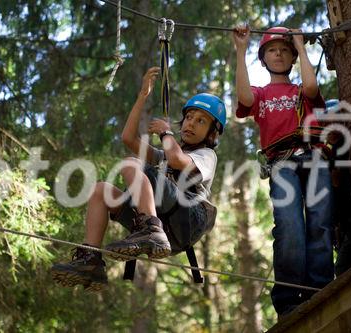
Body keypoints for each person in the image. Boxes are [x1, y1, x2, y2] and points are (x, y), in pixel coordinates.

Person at [51, 67, 226, 291]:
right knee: (100, 190)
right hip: (168, 225)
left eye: (201, 121)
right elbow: (128, 138)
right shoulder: (165, 156)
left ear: (212, 133)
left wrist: (166, 133)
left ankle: (150, 230)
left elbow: (176, 159)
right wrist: (142, 96)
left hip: (189, 219)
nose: (191, 123)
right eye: (189, 117)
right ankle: (91, 261)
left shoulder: (206, 156)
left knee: (130, 164)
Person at [233, 26, 334, 317]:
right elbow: (244, 98)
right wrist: (241, 50)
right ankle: (289, 298)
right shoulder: (261, 94)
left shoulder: (302, 90)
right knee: (290, 226)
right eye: (272, 51)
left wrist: (302, 47)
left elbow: (313, 89)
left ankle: (322, 289)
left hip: (314, 158)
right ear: (263, 59)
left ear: (292, 57)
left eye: (284, 50)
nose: (278, 54)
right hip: (282, 161)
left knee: (321, 225)